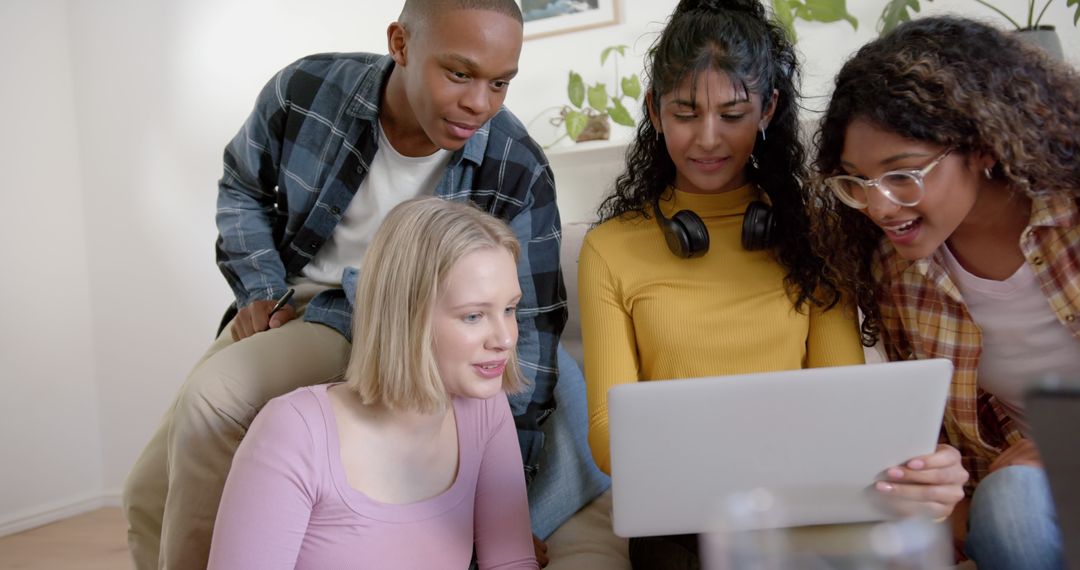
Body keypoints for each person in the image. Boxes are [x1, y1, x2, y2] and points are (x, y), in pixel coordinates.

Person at [121, 1, 567, 568]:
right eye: (459, 73)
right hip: (292, 298)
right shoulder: (305, 90)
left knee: (216, 396)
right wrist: (258, 286)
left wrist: (507, 507)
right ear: (401, 45)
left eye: (500, 83)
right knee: (144, 493)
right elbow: (243, 184)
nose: (479, 103)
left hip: (377, 318)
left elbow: (531, 331)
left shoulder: (516, 165)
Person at [577, 0, 967, 566]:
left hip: (808, 508)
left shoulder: (816, 234)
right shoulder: (608, 249)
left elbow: (841, 400)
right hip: (686, 521)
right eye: (685, 113)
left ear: (768, 110)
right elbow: (609, 437)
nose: (708, 139)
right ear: (654, 114)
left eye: (733, 114)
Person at [809, 16, 1077, 569]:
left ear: (980, 146)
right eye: (856, 182)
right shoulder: (896, 273)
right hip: (1021, 500)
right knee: (1009, 506)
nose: (879, 205)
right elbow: (938, 456)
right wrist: (933, 487)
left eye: (902, 174)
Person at [207, 197, 538, 569]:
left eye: (509, 309)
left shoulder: (485, 411)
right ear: (405, 318)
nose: (505, 338)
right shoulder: (294, 431)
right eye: (474, 315)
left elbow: (512, 563)